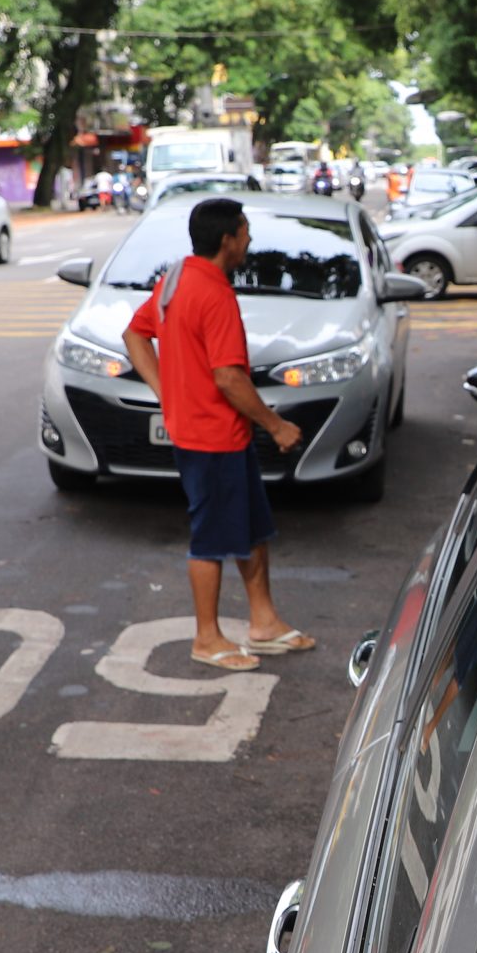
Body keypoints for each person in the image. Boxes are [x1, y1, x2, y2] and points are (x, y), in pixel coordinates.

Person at [122, 198, 317, 671]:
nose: (249, 239)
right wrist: (276, 425)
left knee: (252, 529)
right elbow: (229, 377)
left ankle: (264, 623)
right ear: (227, 239)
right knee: (210, 540)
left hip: (219, 434)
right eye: (245, 231)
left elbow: (134, 335)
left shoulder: (175, 279)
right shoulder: (215, 295)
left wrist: (167, 390)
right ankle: (206, 638)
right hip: (211, 439)